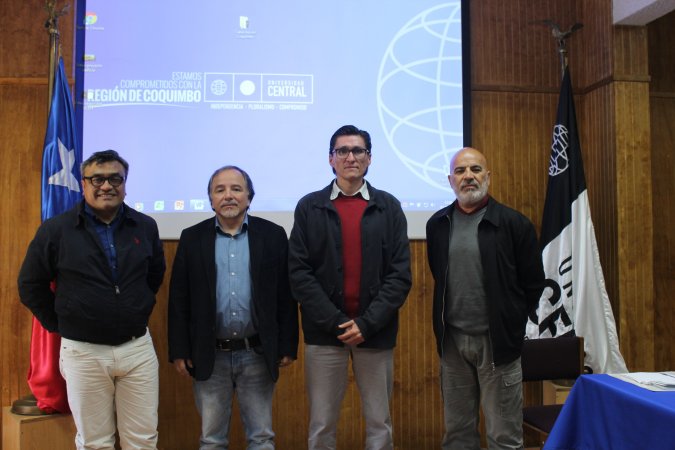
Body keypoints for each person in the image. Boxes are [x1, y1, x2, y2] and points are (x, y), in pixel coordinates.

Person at [18, 149, 166, 450]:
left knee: (143, 440)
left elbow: (154, 276)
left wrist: (136, 307)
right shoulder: (56, 230)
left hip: (136, 349)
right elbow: (30, 284)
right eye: (97, 179)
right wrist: (61, 322)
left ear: (125, 184)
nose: (107, 186)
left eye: (115, 179)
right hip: (83, 353)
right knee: (95, 443)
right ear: (83, 184)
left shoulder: (145, 226)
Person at [288, 124, 412, 450]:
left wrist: (367, 324)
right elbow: (299, 273)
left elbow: (400, 275)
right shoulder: (309, 207)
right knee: (322, 424)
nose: (350, 157)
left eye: (358, 151)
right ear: (331, 159)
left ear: (369, 158)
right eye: (342, 151)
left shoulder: (389, 207)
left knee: (379, 423)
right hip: (325, 333)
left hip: (376, 332)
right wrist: (337, 322)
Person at [168, 165, 298, 449]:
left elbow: (285, 295)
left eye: (236, 189)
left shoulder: (272, 235)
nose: (228, 196)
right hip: (209, 355)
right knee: (212, 439)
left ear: (249, 197)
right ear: (211, 199)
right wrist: (180, 350)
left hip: (257, 354)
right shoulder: (192, 238)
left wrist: (287, 345)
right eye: (220, 190)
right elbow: (179, 299)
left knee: (262, 437)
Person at [425, 147, 546, 450]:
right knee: (458, 434)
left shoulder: (515, 224)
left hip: (498, 345)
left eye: (476, 169)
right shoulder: (438, 224)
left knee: (503, 435)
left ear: (488, 176)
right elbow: (439, 275)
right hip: (452, 343)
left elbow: (533, 285)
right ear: (450, 180)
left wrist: (509, 321)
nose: (468, 177)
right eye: (461, 171)